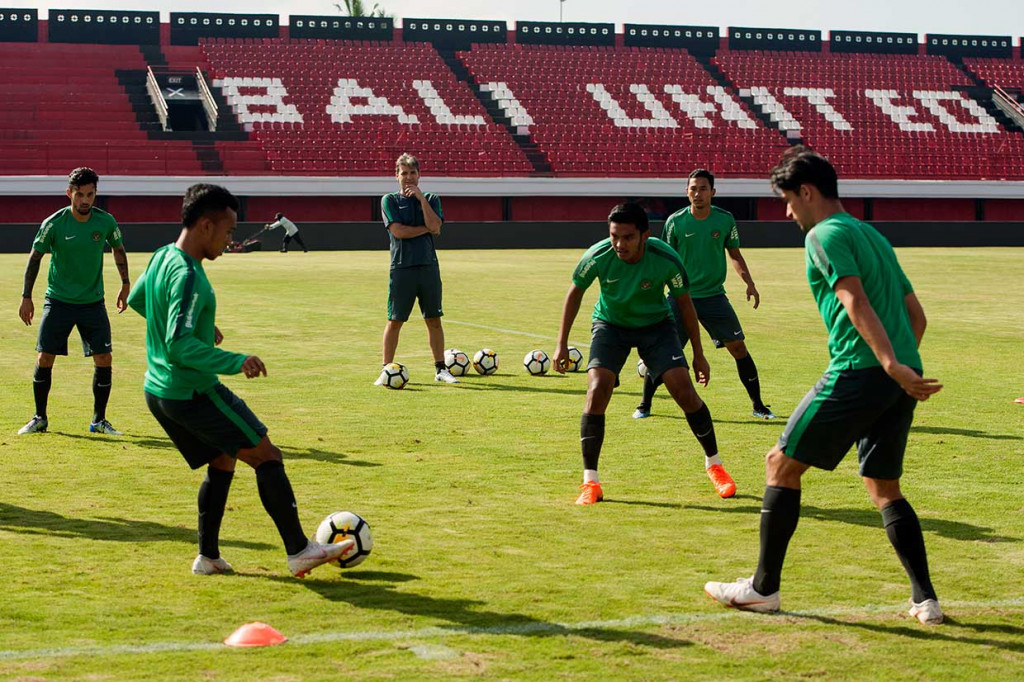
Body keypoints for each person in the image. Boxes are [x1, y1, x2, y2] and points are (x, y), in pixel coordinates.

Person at [704, 147, 944, 625]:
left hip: (860, 370)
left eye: (788, 201)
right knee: (883, 487)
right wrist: (902, 368)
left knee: (780, 463)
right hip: (898, 379)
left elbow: (853, 299)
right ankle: (926, 600)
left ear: (807, 192)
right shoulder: (870, 234)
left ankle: (762, 589)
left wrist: (887, 364)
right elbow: (916, 314)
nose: (788, 212)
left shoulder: (823, 235)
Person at [127, 184, 354, 577]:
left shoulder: (163, 255)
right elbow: (179, 346)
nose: (230, 240)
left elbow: (137, 299)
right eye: (228, 231)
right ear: (205, 225)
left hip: (157, 390)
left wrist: (201, 327)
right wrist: (236, 360)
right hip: (192, 390)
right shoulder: (188, 276)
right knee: (267, 455)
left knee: (223, 458)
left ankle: (208, 557)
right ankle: (299, 550)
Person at [553, 202, 736, 505]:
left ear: (645, 235)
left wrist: (699, 354)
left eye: (627, 237)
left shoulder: (666, 258)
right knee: (597, 390)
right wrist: (562, 343)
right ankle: (591, 483)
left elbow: (686, 306)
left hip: (656, 326)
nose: (619, 244)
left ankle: (715, 465)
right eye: (614, 236)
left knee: (684, 392)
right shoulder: (597, 256)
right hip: (610, 325)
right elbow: (575, 294)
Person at [635, 169, 774, 420]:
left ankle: (759, 406)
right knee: (665, 352)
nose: (697, 193)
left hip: (714, 297)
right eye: (693, 189)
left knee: (739, 348)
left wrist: (749, 283)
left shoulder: (725, 220)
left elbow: (734, 254)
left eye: (702, 188)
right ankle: (644, 405)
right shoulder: (675, 222)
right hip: (680, 297)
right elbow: (665, 259)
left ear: (713, 192)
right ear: (686, 192)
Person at [17, 167, 130, 436]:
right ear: (69, 193)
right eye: (80, 194)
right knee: (45, 357)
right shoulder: (54, 224)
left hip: (93, 302)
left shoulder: (106, 222)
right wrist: (26, 297)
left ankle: (99, 420)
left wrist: (125, 284)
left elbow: (118, 249)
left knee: (104, 358)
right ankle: (39, 417)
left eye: (90, 194)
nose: (85, 200)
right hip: (58, 301)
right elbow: (35, 258)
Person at [377, 153, 458, 385]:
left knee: (434, 319)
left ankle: (440, 369)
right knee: (395, 320)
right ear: (396, 176)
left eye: (413, 173)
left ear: (419, 175)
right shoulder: (389, 200)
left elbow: (435, 224)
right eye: (404, 173)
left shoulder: (431, 198)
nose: (409, 177)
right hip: (402, 267)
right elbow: (399, 232)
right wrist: (428, 229)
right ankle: (386, 369)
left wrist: (421, 199)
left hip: (428, 267)